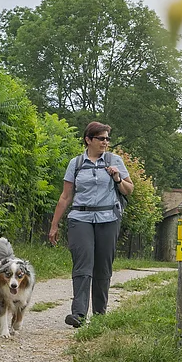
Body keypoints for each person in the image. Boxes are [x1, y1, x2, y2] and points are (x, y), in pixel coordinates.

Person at [47, 121, 133, 328]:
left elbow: (129, 190)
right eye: (101, 138)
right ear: (88, 140)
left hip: (108, 219)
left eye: (107, 139)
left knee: (103, 268)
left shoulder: (115, 160)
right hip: (80, 218)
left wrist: (118, 178)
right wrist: (54, 225)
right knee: (82, 266)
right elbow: (66, 196)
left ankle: (100, 315)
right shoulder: (75, 164)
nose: (105, 142)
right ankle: (78, 314)